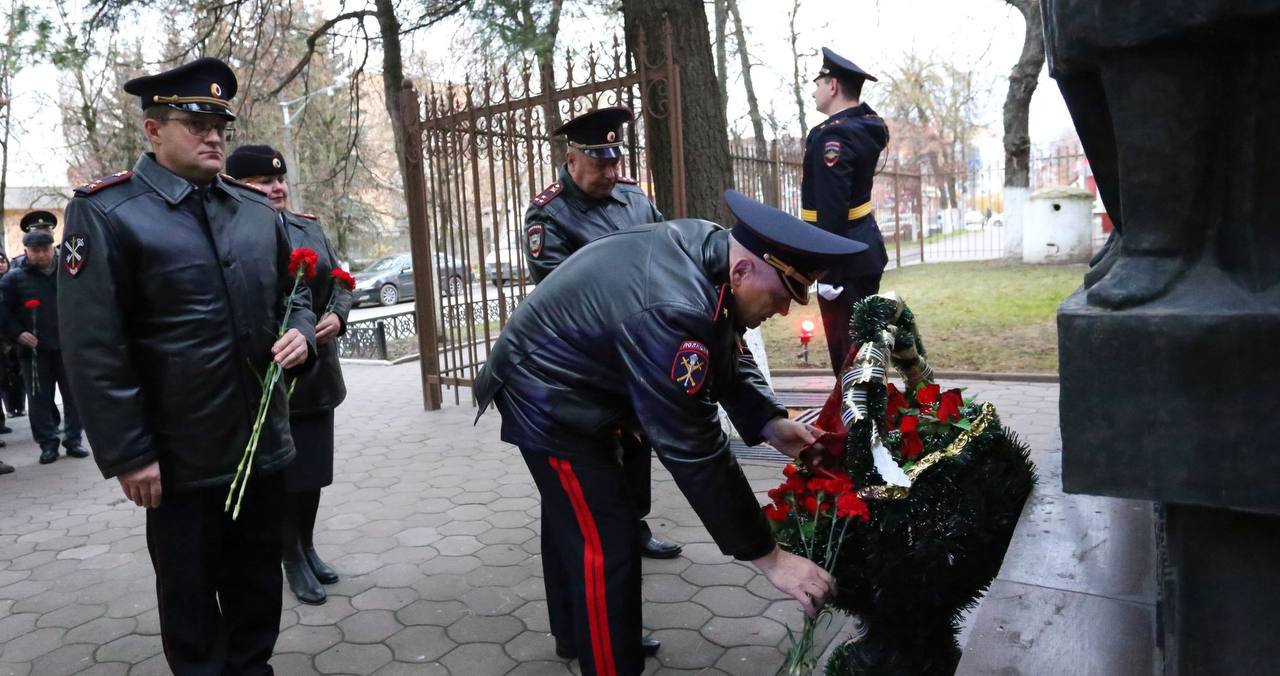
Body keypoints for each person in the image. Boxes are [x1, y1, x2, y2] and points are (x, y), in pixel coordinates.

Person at [474, 190, 862, 675]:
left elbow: (722, 342)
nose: (784, 312)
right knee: (606, 542)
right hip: (549, 395)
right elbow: (694, 448)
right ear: (743, 273)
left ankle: (577, 636)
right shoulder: (677, 306)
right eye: (782, 296)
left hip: (583, 381)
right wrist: (770, 557)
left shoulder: (713, 255)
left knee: (577, 520)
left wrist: (767, 421)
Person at [59, 57, 315, 675]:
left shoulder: (254, 212)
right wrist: (128, 453)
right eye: (195, 123)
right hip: (177, 458)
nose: (214, 136)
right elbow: (94, 347)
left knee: (257, 584)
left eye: (220, 124)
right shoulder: (108, 214)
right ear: (153, 131)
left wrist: (303, 332)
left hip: (260, 446)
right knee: (191, 598)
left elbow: (296, 291)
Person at [524, 106, 680, 562]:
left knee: (639, 442)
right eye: (600, 163)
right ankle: (609, 536)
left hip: (642, 349)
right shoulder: (548, 215)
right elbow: (561, 293)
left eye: (616, 161)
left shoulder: (634, 198)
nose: (612, 172)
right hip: (589, 360)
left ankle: (636, 523)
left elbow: (666, 254)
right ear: (572, 160)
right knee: (603, 450)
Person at [226, 143, 351, 606]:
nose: (276, 188)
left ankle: (309, 545)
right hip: (267, 382)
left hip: (316, 374)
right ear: (238, 186)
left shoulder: (307, 227)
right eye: (263, 181)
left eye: (279, 180)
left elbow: (339, 279)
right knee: (283, 477)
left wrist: (337, 315)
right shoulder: (231, 235)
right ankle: (290, 558)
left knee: (313, 473)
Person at [803, 47, 890, 375]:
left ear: (833, 86)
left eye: (818, 82)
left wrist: (828, 274)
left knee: (850, 361)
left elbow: (832, 210)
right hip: (861, 252)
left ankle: (858, 425)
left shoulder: (833, 138)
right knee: (865, 354)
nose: (814, 89)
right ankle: (867, 421)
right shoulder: (861, 128)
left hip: (845, 264)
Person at [0, 221, 82, 465]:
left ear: (53, 248)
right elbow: (2, 310)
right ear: (26, 251)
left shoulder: (68, 273)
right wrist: (17, 333)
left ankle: (74, 440)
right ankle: (48, 445)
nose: (41, 255)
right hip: (33, 350)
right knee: (39, 399)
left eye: (45, 249)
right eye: (35, 251)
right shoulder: (14, 279)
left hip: (67, 346)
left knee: (74, 396)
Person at [0, 253, 25, 423]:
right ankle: (8, 411)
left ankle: (20, 406)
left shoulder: (14, 280)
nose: (1, 265)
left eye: (2, 261)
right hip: (3, 338)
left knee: (19, 373)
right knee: (4, 376)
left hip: (16, 336)